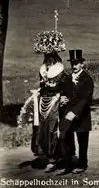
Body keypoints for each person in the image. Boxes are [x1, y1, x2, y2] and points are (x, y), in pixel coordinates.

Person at [18, 31, 68, 172]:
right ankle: (44, 154)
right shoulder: (42, 69)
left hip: (55, 100)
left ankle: (53, 158)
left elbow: (64, 86)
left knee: (52, 129)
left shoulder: (60, 70)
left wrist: (63, 96)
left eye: (49, 56)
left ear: (54, 56)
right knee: (41, 128)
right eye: (45, 56)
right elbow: (42, 85)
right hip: (43, 100)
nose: (47, 59)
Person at [57, 49, 94, 175]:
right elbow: (64, 92)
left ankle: (82, 163)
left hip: (81, 115)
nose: (74, 66)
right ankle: (68, 163)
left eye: (77, 63)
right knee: (66, 138)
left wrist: (75, 112)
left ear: (82, 64)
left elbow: (85, 99)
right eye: (72, 63)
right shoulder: (67, 79)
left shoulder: (87, 79)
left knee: (82, 140)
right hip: (68, 114)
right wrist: (62, 98)